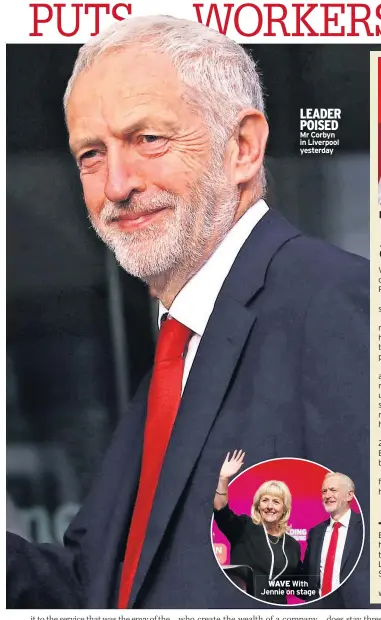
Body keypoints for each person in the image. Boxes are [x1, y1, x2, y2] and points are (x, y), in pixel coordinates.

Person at [6, 15, 369, 610]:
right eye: (91, 154)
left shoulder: (338, 306)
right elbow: (104, 586)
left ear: (243, 147)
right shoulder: (181, 348)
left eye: (148, 139)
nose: (117, 185)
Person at [213, 451, 302, 604]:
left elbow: (301, 585)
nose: (269, 506)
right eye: (265, 500)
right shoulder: (243, 528)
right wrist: (223, 479)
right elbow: (221, 511)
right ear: (258, 506)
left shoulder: (292, 545)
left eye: (276, 501)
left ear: (284, 509)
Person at [303, 473, 363, 601]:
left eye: (333, 490)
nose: (327, 495)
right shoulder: (315, 532)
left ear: (349, 495)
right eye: (324, 491)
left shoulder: (365, 528)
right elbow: (306, 575)